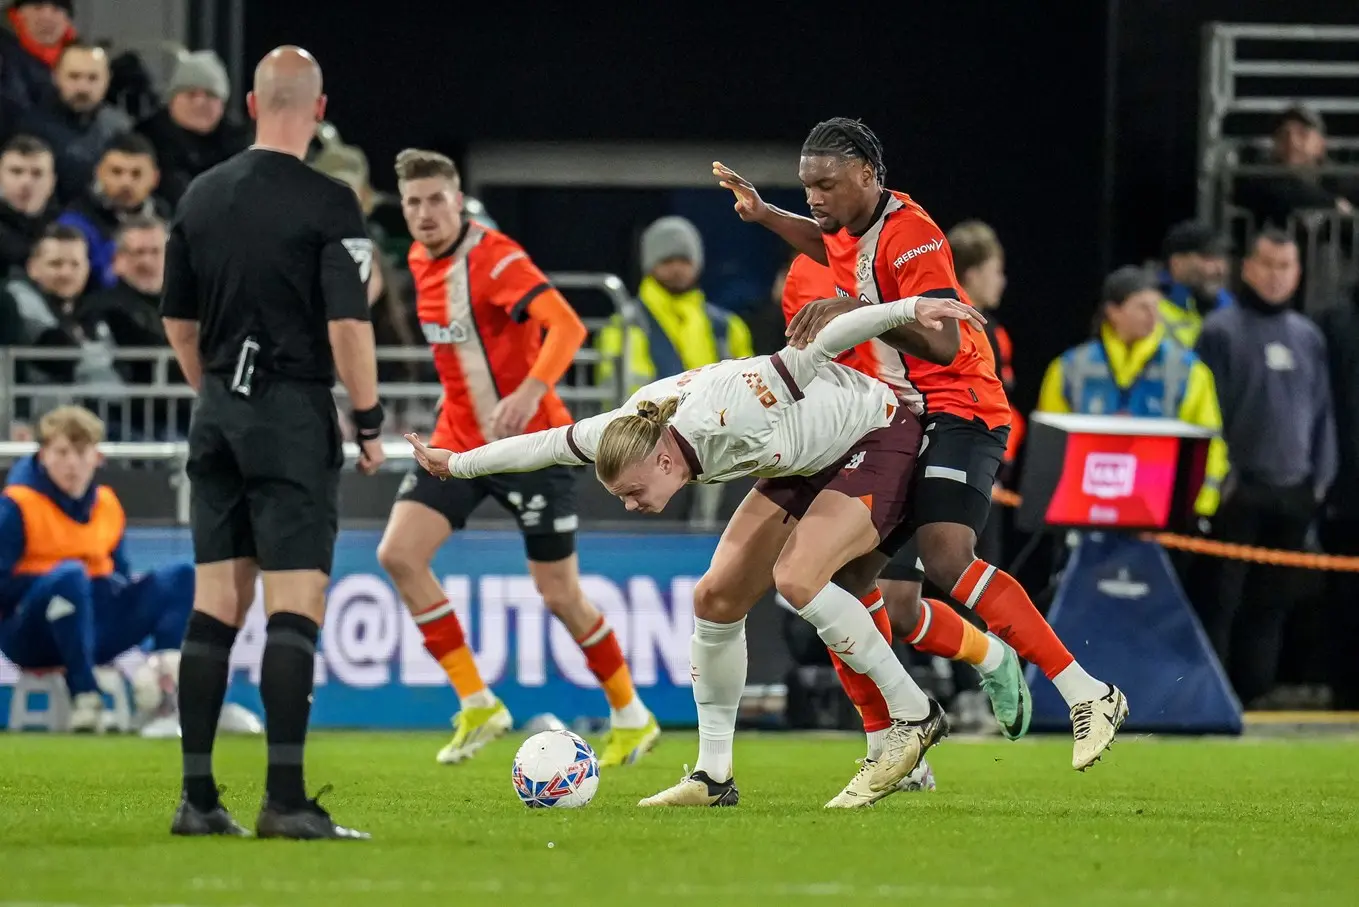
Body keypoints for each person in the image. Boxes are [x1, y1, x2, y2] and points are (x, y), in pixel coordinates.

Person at [408, 294, 987, 806]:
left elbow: (824, 342)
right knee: (714, 600)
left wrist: (908, 311)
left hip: (875, 434)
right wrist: (456, 463)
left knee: (800, 578)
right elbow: (548, 444)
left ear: (664, 460)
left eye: (633, 494)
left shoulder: (735, 409)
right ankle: (713, 777)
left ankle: (913, 712)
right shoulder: (626, 429)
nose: (631, 505)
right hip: (805, 458)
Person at [714, 117, 1126, 774]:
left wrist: (855, 311)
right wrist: (765, 215)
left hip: (959, 406)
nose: (814, 199)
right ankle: (915, 727)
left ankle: (1086, 691)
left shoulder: (911, 235)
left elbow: (939, 341)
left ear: (869, 177)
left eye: (825, 185)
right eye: (805, 186)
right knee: (856, 583)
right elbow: (827, 248)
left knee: (945, 556)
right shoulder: (849, 230)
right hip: (902, 419)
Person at [160, 45, 384, 840]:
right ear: (317, 112)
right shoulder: (330, 201)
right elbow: (348, 325)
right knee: (295, 606)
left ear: (250, 105)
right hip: (291, 411)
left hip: (217, 405)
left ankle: (197, 801)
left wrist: (217, 393)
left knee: (213, 605)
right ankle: (284, 801)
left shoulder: (200, 194)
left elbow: (177, 324)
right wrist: (367, 419)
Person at [375, 147, 661, 769]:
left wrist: (529, 390)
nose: (424, 214)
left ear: (457, 200)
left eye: (435, 200)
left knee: (559, 594)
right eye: (413, 203)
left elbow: (566, 327)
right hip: (460, 442)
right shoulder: (420, 261)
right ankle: (478, 702)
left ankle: (632, 716)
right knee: (398, 553)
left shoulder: (495, 258)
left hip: (533, 447)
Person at [779, 250, 1030, 800]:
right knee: (846, 593)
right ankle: (901, 736)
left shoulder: (892, 266)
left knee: (887, 602)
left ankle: (964, 677)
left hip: (914, 441)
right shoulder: (806, 274)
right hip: (853, 444)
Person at [1195, 230, 1337, 706]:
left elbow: (1322, 414)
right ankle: (1214, 696)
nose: (1276, 276)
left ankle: (1255, 696)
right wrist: (1225, 482)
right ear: (1248, 268)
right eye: (1268, 265)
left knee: (1272, 604)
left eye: (1286, 267)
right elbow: (1207, 410)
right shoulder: (1220, 331)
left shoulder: (1308, 336)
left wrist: (1318, 481)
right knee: (1222, 600)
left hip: (1293, 491)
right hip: (1240, 491)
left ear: (1298, 274)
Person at [0, 406, 192, 732]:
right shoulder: (17, 504)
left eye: (81, 452)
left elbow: (120, 574)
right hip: (30, 631)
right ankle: (84, 696)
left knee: (181, 576)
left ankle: (165, 681)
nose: (71, 463)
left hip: (96, 621)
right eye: (61, 452)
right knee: (71, 576)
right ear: (43, 455)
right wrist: (56, 582)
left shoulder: (107, 504)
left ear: (97, 457)